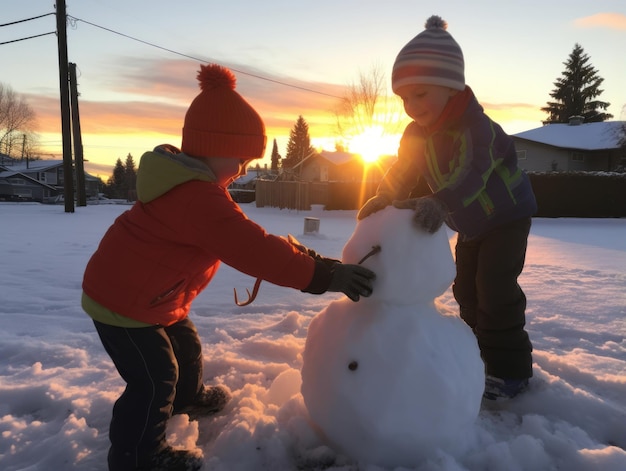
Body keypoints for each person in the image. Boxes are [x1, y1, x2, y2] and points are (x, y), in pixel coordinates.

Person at [82, 63, 375, 471]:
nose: (241, 169)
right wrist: (324, 276)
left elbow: (251, 238)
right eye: (237, 158)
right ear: (207, 146)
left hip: (152, 297)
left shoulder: (196, 188)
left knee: (185, 347)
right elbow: (252, 249)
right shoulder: (195, 198)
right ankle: (137, 457)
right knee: (152, 379)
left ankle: (187, 399)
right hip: (123, 304)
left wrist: (314, 260)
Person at [358, 16, 537, 401]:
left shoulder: (478, 129)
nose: (410, 106)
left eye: (420, 94)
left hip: (506, 218)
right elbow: (403, 169)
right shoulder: (416, 134)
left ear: (451, 86)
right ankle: (476, 357)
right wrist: (385, 196)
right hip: (472, 224)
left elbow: (471, 173)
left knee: (495, 288)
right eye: (403, 98)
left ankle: (510, 372)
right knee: (466, 292)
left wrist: (440, 202)